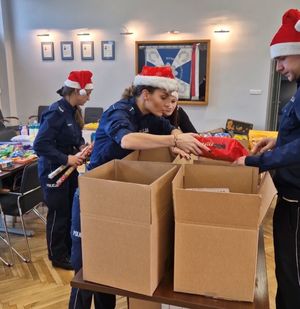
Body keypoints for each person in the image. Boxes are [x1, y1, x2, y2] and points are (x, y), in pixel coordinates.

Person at [69, 65, 209, 309]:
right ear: (145, 94)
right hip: (94, 193)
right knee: (85, 270)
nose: (168, 105)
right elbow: (127, 139)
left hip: (122, 195)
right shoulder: (118, 111)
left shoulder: (154, 118)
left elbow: (170, 128)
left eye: (170, 99)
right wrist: (175, 140)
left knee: (109, 268)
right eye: (162, 98)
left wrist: (175, 138)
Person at [234, 9, 300, 309]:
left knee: (292, 273)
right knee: (286, 269)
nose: (278, 68)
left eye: (282, 59)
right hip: (288, 196)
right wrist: (277, 140)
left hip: (296, 202)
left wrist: (255, 162)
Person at [33, 70, 93, 270]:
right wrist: (66, 158)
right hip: (53, 171)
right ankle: (57, 256)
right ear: (77, 90)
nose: (90, 97)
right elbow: (40, 145)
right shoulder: (55, 112)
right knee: (59, 214)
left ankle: (67, 250)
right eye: (88, 92)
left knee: (70, 212)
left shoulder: (73, 111)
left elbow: (72, 139)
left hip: (69, 170)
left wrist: (82, 147)